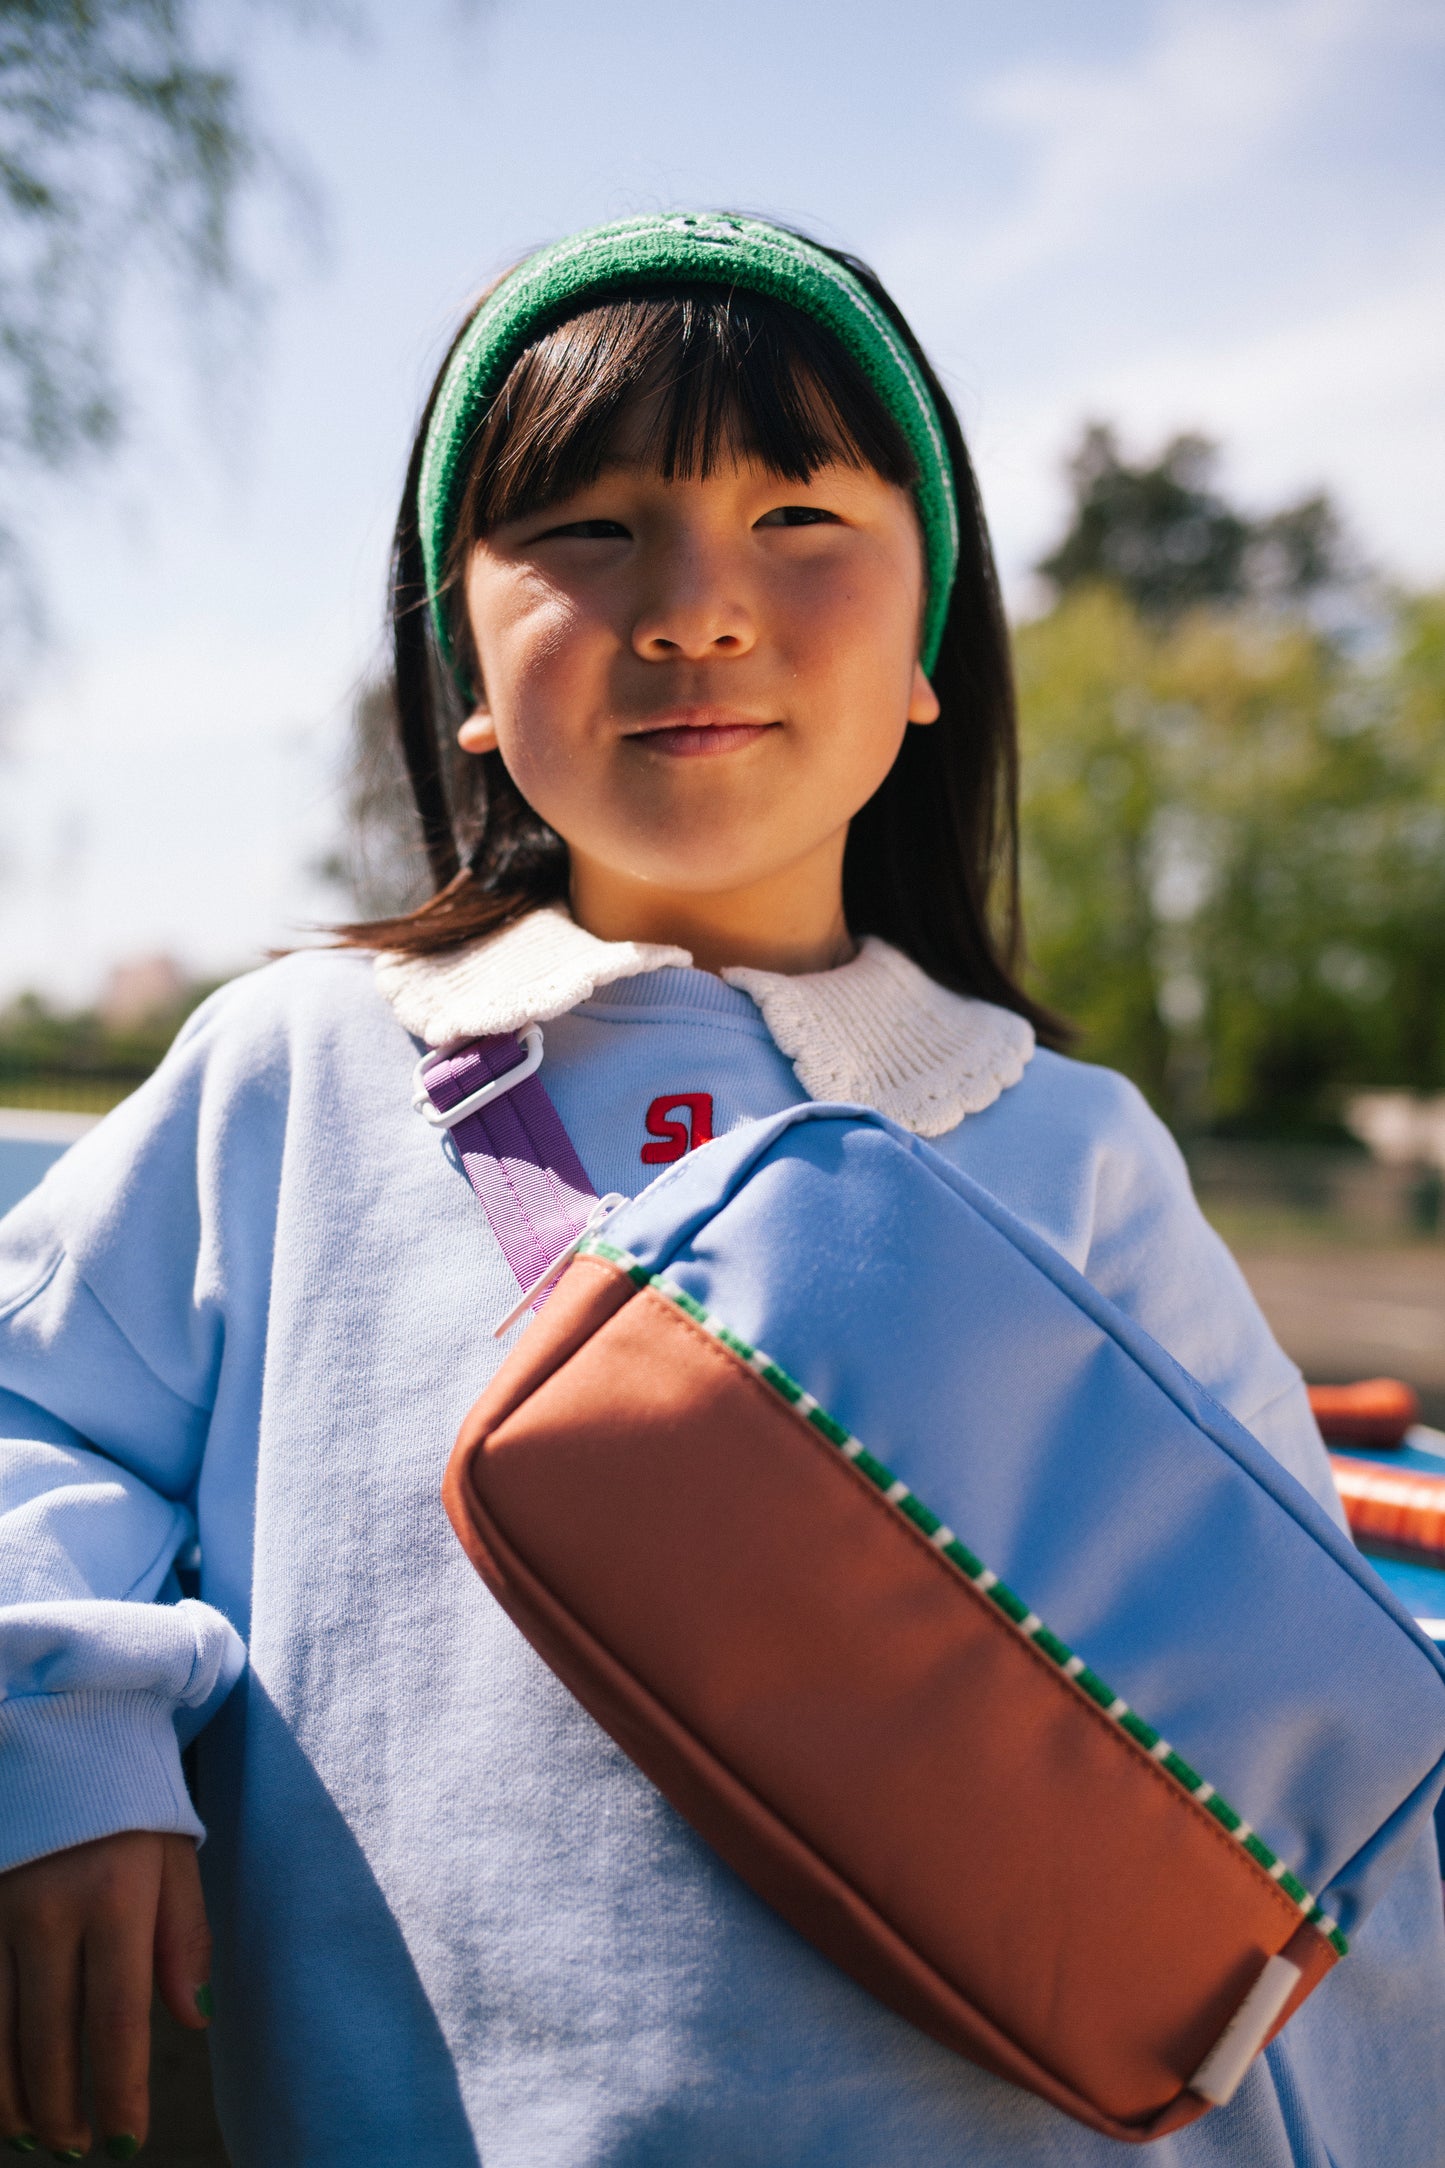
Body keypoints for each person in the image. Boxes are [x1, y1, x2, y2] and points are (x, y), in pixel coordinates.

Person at [0, 212, 1441, 2167]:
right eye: (586, 528)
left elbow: (1301, 1743)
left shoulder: (1065, 1141)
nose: (692, 604)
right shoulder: (300, 1074)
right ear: (467, 674)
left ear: (929, 645)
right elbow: (31, 1410)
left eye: (798, 520)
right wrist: (68, 1738)